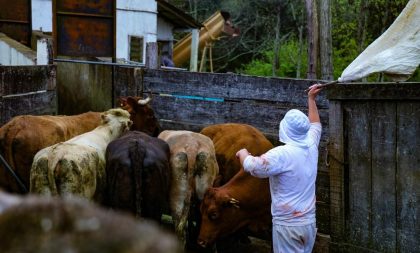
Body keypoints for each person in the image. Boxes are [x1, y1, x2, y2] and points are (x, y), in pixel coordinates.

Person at [236, 84, 323, 253]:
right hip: (308, 223)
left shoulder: (281, 154)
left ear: (285, 129)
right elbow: (316, 124)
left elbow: (252, 166)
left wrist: (243, 153)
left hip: (287, 226)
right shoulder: (311, 144)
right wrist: (311, 99)